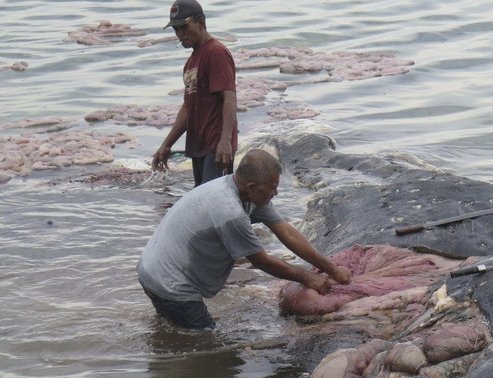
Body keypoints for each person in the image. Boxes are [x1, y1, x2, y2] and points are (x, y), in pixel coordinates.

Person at [138, 149, 352, 329]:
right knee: (210, 347)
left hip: (152, 269)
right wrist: (307, 277)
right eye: (272, 188)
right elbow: (261, 261)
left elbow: (287, 232)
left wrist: (330, 268)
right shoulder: (230, 212)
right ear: (252, 187)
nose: (276, 193)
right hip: (171, 283)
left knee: (171, 331)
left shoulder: (245, 193)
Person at [152, 0, 238, 186]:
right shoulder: (191, 62)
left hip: (216, 147)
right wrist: (167, 144)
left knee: (212, 205)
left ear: (201, 22)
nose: (180, 34)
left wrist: (225, 141)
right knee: (201, 202)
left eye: (184, 27)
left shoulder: (215, 53)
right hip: (198, 147)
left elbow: (229, 97)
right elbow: (187, 108)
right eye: (176, 29)